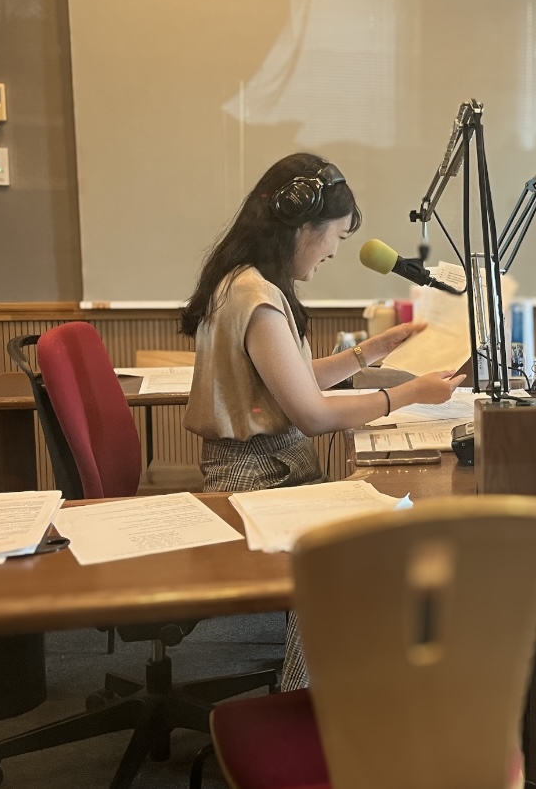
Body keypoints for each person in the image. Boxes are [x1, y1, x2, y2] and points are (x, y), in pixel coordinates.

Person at [181, 152, 465, 690]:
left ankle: (345, 686)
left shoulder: (245, 283)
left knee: (383, 529)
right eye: (334, 236)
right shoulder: (256, 296)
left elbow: (290, 380)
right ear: (302, 226)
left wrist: (369, 351)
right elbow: (310, 413)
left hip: (268, 469)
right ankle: (307, 701)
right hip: (256, 479)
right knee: (359, 547)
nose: (335, 250)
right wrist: (410, 394)